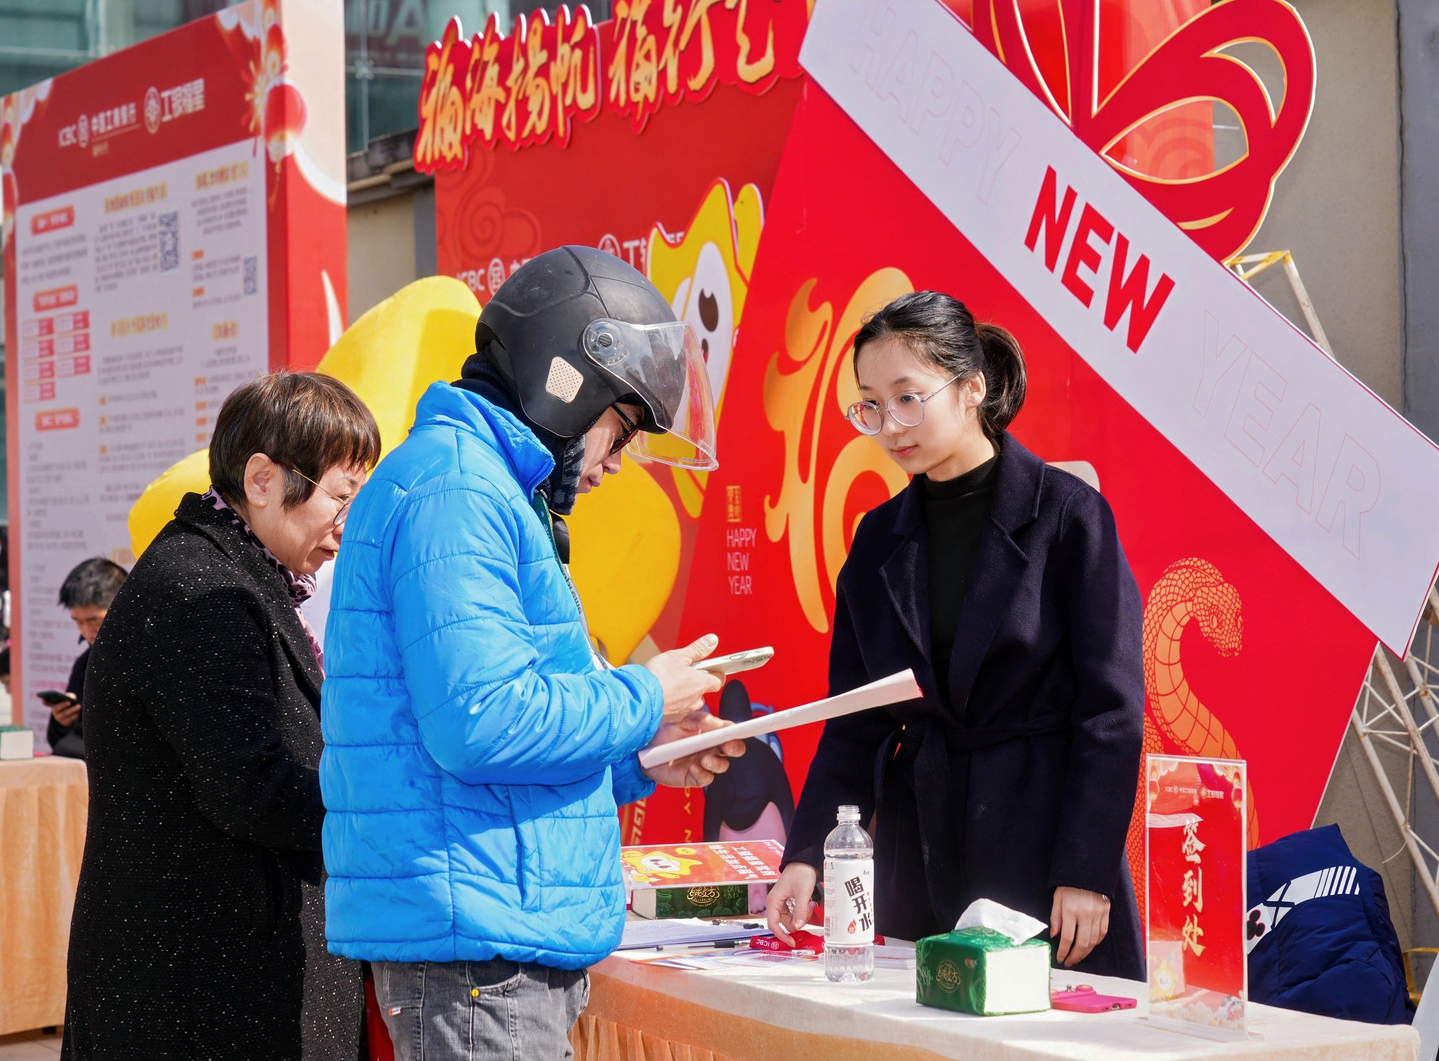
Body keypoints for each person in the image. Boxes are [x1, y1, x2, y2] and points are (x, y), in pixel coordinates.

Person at [321, 245, 745, 1061]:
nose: (615, 465)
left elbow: (476, 746)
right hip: (477, 948)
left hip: (488, 929)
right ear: (566, 380)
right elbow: (480, 719)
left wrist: (642, 757)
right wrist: (642, 695)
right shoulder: (458, 489)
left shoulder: (478, 486)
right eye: (618, 431)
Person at [767, 291, 1147, 977]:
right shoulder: (878, 540)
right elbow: (855, 719)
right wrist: (805, 856)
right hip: (922, 850)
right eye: (871, 404)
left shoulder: (1068, 516)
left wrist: (1084, 868)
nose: (889, 424)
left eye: (909, 397)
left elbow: (1111, 712)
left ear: (972, 387)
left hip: (1041, 847)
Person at [63, 372, 379, 1060]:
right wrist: (392, 810)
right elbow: (254, 788)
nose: (347, 524)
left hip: (211, 975)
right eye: (342, 496)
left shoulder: (230, 574)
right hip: (196, 988)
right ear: (263, 479)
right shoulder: (202, 591)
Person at [46, 558, 127, 759]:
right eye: (78, 622)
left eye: (94, 621)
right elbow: (63, 742)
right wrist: (61, 722)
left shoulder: (146, 660)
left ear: (124, 606)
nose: (86, 631)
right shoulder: (85, 661)